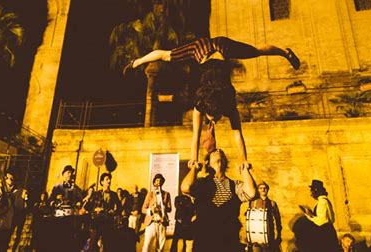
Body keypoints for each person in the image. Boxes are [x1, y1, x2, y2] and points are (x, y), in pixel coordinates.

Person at [124, 36, 300, 163]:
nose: (213, 121)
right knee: (257, 51)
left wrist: (195, 158)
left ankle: (285, 53)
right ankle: (284, 53)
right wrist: (243, 160)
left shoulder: (204, 105)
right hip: (213, 49)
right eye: (214, 118)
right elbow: (235, 134)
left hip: (213, 49)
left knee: (256, 51)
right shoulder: (222, 104)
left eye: (212, 119)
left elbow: (199, 134)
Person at [181, 149, 256, 252]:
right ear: (207, 163)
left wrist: (245, 170)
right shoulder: (202, 183)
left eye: (221, 152)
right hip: (205, 241)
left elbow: (251, 193)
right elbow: (185, 187)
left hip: (229, 241)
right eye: (214, 152)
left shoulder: (235, 185)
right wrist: (194, 168)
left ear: (225, 161)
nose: (218, 150)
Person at [84, 172, 121, 252]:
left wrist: (114, 212)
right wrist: (94, 208)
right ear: (102, 182)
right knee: (92, 245)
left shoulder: (114, 194)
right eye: (107, 179)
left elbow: (120, 208)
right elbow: (87, 207)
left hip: (108, 223)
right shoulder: (96, 194)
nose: (109, 181)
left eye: (110, 179)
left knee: (108, 245)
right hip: (96, 223)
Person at [302, 179, 340, 252]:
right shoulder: (324, 201)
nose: (311, 194)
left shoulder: (322, 202)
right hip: (327, 232)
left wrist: (309, 216)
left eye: (312, 191)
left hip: (324, 233)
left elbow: (321, 221)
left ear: (316, 191)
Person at [247, 181, 282, 252]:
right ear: (258, 190)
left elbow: (278, 219)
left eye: (265, 188)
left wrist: (279, 235)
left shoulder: (272, 203)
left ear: (268, 190)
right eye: (261, 188)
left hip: (269, 235)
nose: (263, 190)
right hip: (256, 237)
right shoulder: (253, 203)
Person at [142, 173, 172, 252]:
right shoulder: (150, 194)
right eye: (157, 180)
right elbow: (143, 209)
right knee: (147, 245)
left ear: (162, 183)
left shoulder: (166, 194)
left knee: (160, 247)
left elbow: (170, 209)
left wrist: (165, 208)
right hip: (151, 222)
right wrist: (151, 211)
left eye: (160, 181)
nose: (158, 182)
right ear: (154, 182)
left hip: (162, 223)